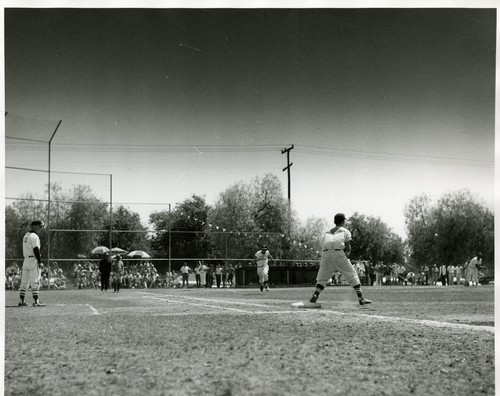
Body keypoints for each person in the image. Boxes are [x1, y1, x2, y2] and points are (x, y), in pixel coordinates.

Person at [309, 213, 372, 306]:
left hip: (326, 254)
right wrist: (345, 258)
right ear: (343, 221)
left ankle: (315, 294)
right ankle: (361, 298)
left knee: (322, 278)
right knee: (352, 275)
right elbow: (348, 248)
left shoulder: (327, 232)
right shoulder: (345, 231)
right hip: (338, 253)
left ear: (334, 221)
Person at [19, 220, 46, 307]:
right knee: (35, 281)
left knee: (24, 282)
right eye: (40, 226)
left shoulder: (26, 235)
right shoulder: (34, 236)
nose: (41, 228)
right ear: (35, 226)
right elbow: (36, 249)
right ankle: (36, 301)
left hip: (26, 260)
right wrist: (40, 261)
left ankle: (21, 301)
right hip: (33, 260)